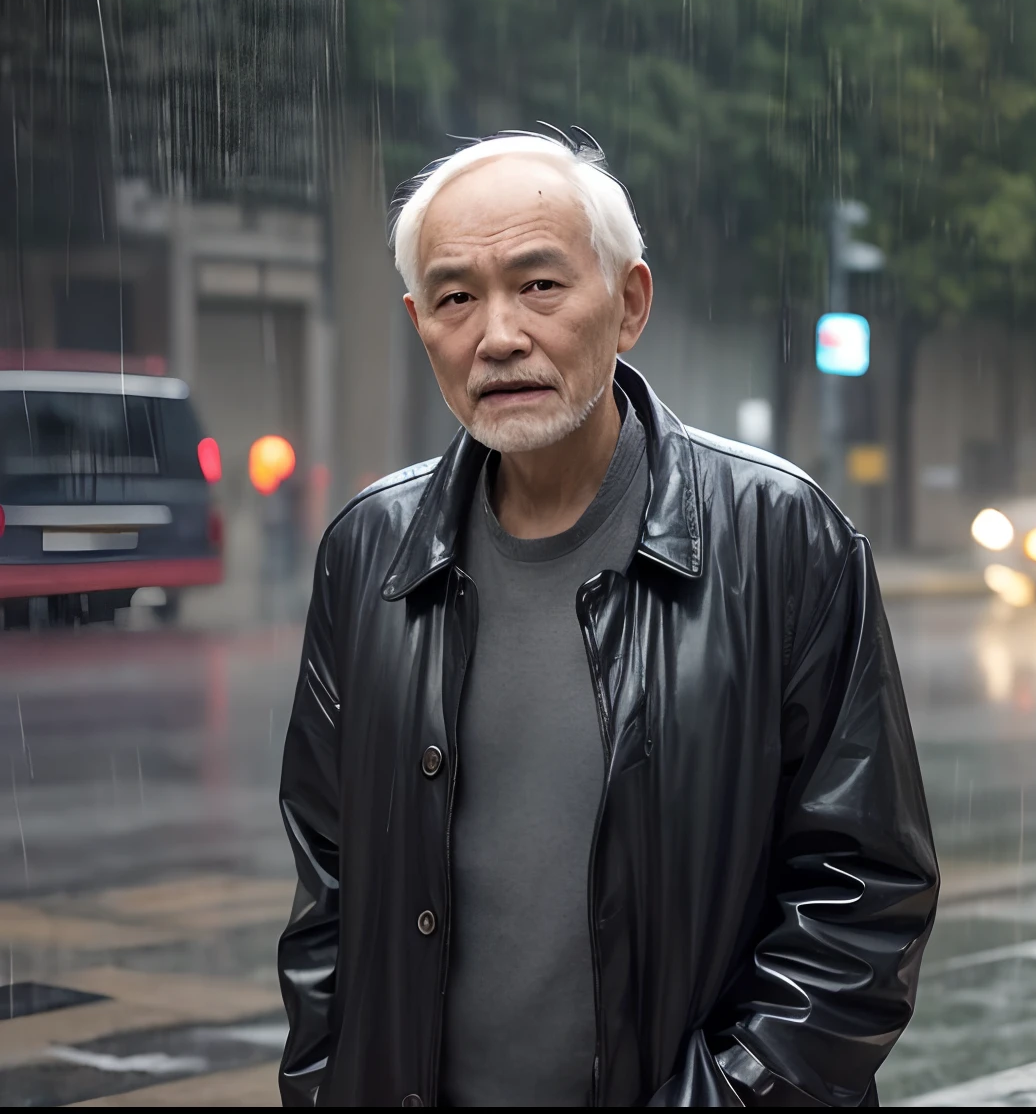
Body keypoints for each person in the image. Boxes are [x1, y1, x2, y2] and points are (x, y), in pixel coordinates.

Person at [276, 128, 939, 1107]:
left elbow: (861, 891)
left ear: (629, 303)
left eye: (539, 286)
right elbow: (330, 896)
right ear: (421, 323)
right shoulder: (370, 550)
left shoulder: (779, 534)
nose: (497, 334)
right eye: (456, 297)